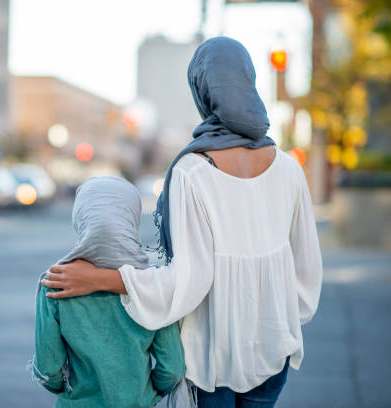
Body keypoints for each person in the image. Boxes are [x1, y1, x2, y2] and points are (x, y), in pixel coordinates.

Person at [42, 37, 323, 408]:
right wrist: (276, 321)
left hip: (211, 355)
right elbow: (306, 272)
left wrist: (98, 279)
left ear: (202, 90)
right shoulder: (289, 168)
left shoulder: (194, 170)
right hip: (274, 350)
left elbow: (190, 280)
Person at [31, 176, 186, 408]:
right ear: (130, 216)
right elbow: (172, 369)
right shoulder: (151, 284)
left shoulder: (56, 280)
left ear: (81, 217)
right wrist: (145, 395)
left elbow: (48, 368)